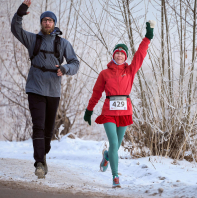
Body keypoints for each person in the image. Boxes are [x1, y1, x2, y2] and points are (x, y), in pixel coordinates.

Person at [11, 0, 79, 179]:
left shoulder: (63, 43)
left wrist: (65, 69)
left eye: (50, 20)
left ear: (54, 24)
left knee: (49, 129)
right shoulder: (33, 39)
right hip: (35, 88)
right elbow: (16, 29)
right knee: (38, 126)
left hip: (53, 90)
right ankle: (39, 163)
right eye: (44, 20)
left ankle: (43, 154)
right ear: (41, 23)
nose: (47, 23)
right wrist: (21, 11)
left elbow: (75, 63)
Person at [84, 20, 155, 188]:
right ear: (113, 55)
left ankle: (107, 156)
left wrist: (148, 37)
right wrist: (89, 110)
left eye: (122, 54)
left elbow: (140, 54)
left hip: (124, 112)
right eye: (117, 53)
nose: (119, 56)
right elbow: (96, 93)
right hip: (109, 111)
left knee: (115, 147)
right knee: (114, 143)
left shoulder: (130, 70)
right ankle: (115, 176)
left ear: (126, 56)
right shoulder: (104, 74)